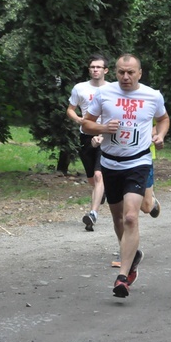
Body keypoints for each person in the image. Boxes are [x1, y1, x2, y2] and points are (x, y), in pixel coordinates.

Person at [82, 53, 169, 298]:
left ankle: (123, 275)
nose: (125, 77)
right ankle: (133, 255)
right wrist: (101, 128)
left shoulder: (152, 95)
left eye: (131, 72)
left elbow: (163, 119)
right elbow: (85, 124)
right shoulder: (104, 94)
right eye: (121, 72)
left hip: (138, 162)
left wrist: (160, 135)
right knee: (119, 219)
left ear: (140, 73)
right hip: (110, 163)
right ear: (115, 72)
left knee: (131, 217)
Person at [67, 54, 109, 231]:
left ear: (105, 70)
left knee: (99, 175)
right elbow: (70, 109)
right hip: (85, 136)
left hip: (105, 136)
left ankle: (92, 214)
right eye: (92, 67)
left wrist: (103, 132)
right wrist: (79, 120)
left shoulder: (112, 89)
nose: (95, 70)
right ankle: (102, 193)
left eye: (99, 67)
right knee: (92, 179)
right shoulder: (80, 88)